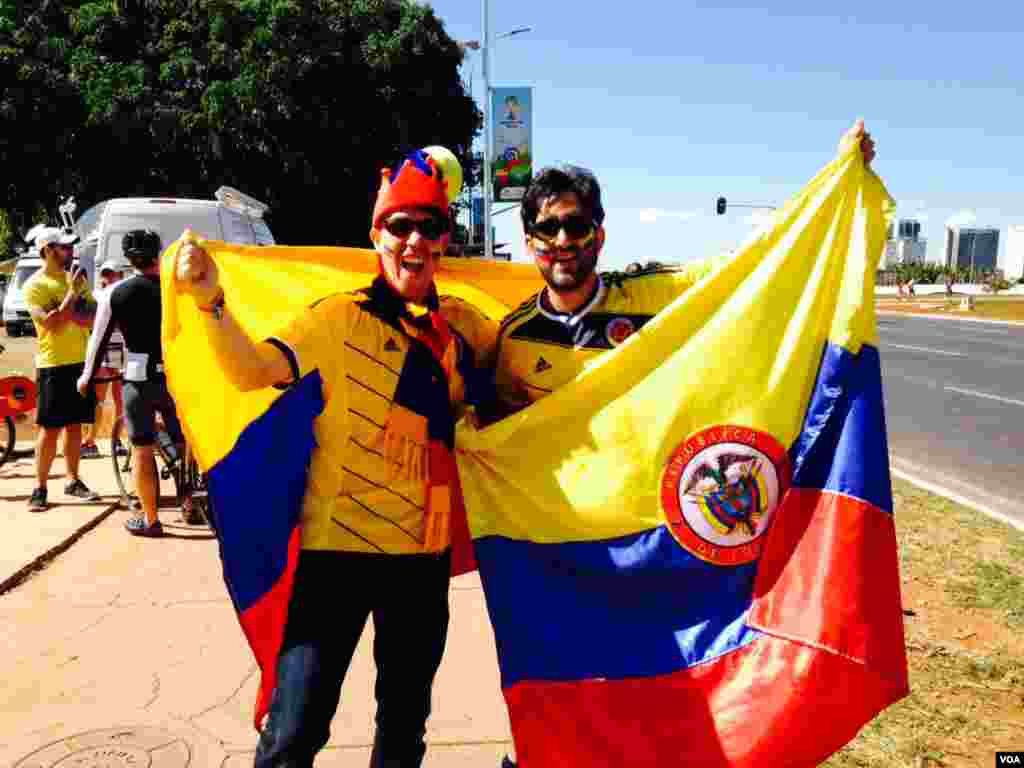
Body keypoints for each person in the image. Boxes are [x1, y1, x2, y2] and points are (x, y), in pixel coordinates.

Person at [487, 120, 876, 768]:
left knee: (658, 684)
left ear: (599, 234)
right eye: (548, 230)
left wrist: (829, 194)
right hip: (566, 552)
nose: (563, 242)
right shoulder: (514, 339)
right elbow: (499, 435)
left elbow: (750, 278)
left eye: (575, 226)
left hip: (652, 540)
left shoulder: (651, 296)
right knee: (564, 688)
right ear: (529, 242)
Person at [173, 147, 496, 768]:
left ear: (446, 241)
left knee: (403, 735)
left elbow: (519, 392)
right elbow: (250, 371)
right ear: (377, 235)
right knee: (293, 735)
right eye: (400, 227)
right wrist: (211, 303)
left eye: (429, 228)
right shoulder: (335, 317)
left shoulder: (464, 330)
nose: (414, 241)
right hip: (335, 561)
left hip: (420, 565)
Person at [78, 230, 183, 537]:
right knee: (184, 441)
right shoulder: (175, 289)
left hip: (138, 378)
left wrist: (86, 377)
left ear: (128, 259)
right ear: (157, 254)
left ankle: (150, 519)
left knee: (142, 449)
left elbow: (97, 341)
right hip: (176, 377)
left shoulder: (115, 292)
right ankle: (189, 501)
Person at [23, 226, 101, 511]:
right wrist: (72, 297)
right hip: (52, 364)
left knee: (75, 426)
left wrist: (69, 310)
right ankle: (39, 488)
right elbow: (52, 325)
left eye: (70, 247)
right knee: (50, 430)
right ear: (47, 250)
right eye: (63, 247)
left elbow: (92, 317)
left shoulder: (75, 280)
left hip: (80, 362)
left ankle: (72, 480)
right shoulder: (34, 286)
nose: (70, 252)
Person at [80, 256, 131, 459]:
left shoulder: (126, 293)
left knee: (121, 398)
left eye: (112, 274)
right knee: (98, 398)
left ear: (120, 275)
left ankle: (117, 440)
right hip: (102, 346)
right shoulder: (95, 295)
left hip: (122, 346)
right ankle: (89, 441)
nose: (108, 277)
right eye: (105, 274)